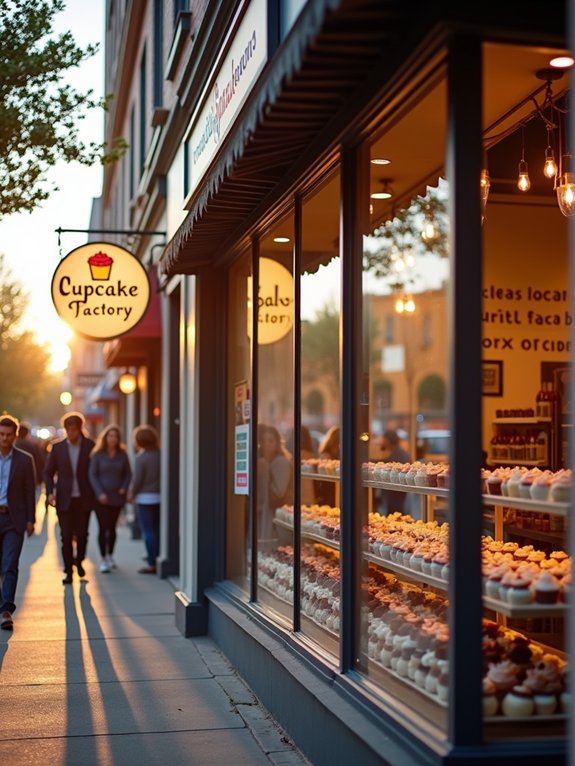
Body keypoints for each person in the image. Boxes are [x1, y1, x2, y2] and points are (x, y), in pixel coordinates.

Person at [44, 412, 96, 584]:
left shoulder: (90, 446)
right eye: (69, 430)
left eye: (74, 429)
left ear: (80, 429)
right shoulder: (57, 448)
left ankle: (79, 561)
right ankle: (68, 570)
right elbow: (48, 471)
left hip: (84, 497)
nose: (72, 433)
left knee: (82, 535)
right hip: (64, 499)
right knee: (65, 536)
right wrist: (50, 492)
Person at [0, 414, 36, 630]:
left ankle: (6, 610)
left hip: (15, 519)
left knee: (10, 564)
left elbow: (29, 491)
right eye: (1, 434)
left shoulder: (24, 459)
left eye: (8, 435)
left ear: (15, 436)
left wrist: (31, 519)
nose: (4, 438)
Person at [89, 425, 132, 573]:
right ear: (105, 437)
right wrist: (99, 493)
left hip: (117, 497)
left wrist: (124, 487)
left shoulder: (122, 454)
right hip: (101, 498)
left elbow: (128, 474)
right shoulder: (97, 454)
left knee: (112, 528)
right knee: (103, 527)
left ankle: (110, 555)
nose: (112, 438)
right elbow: (92, 475)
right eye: (110, 436)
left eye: (115, 436)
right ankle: (103, 558)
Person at [127, 425, 160, 574]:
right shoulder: (161, 455)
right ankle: (157, 557)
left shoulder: (140, 458)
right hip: (161, 497)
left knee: (148, 530)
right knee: (158, 530)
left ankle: (151, 563)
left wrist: (131, 493)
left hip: (145, 498)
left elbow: (138, 479)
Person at [257, 425, 292, 546]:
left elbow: (279, 492)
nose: (267, 444)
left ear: (277, 443)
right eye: (263, 440)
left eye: (271, 440)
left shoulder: (280, 462)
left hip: (274, 512)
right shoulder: (263, 460)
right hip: (263, 511)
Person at [379, 428, 411, 514]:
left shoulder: (396, 455)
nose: (381, 441)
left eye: (383, 439)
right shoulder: (401, 453)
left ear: (388, 440)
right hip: (397, 492)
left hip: (395, 493)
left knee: (395, 513)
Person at [15, 421, 45, 505]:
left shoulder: (13, 446)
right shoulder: (34, 446)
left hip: (16, 483)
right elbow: (41, 462)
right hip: (33, 482)